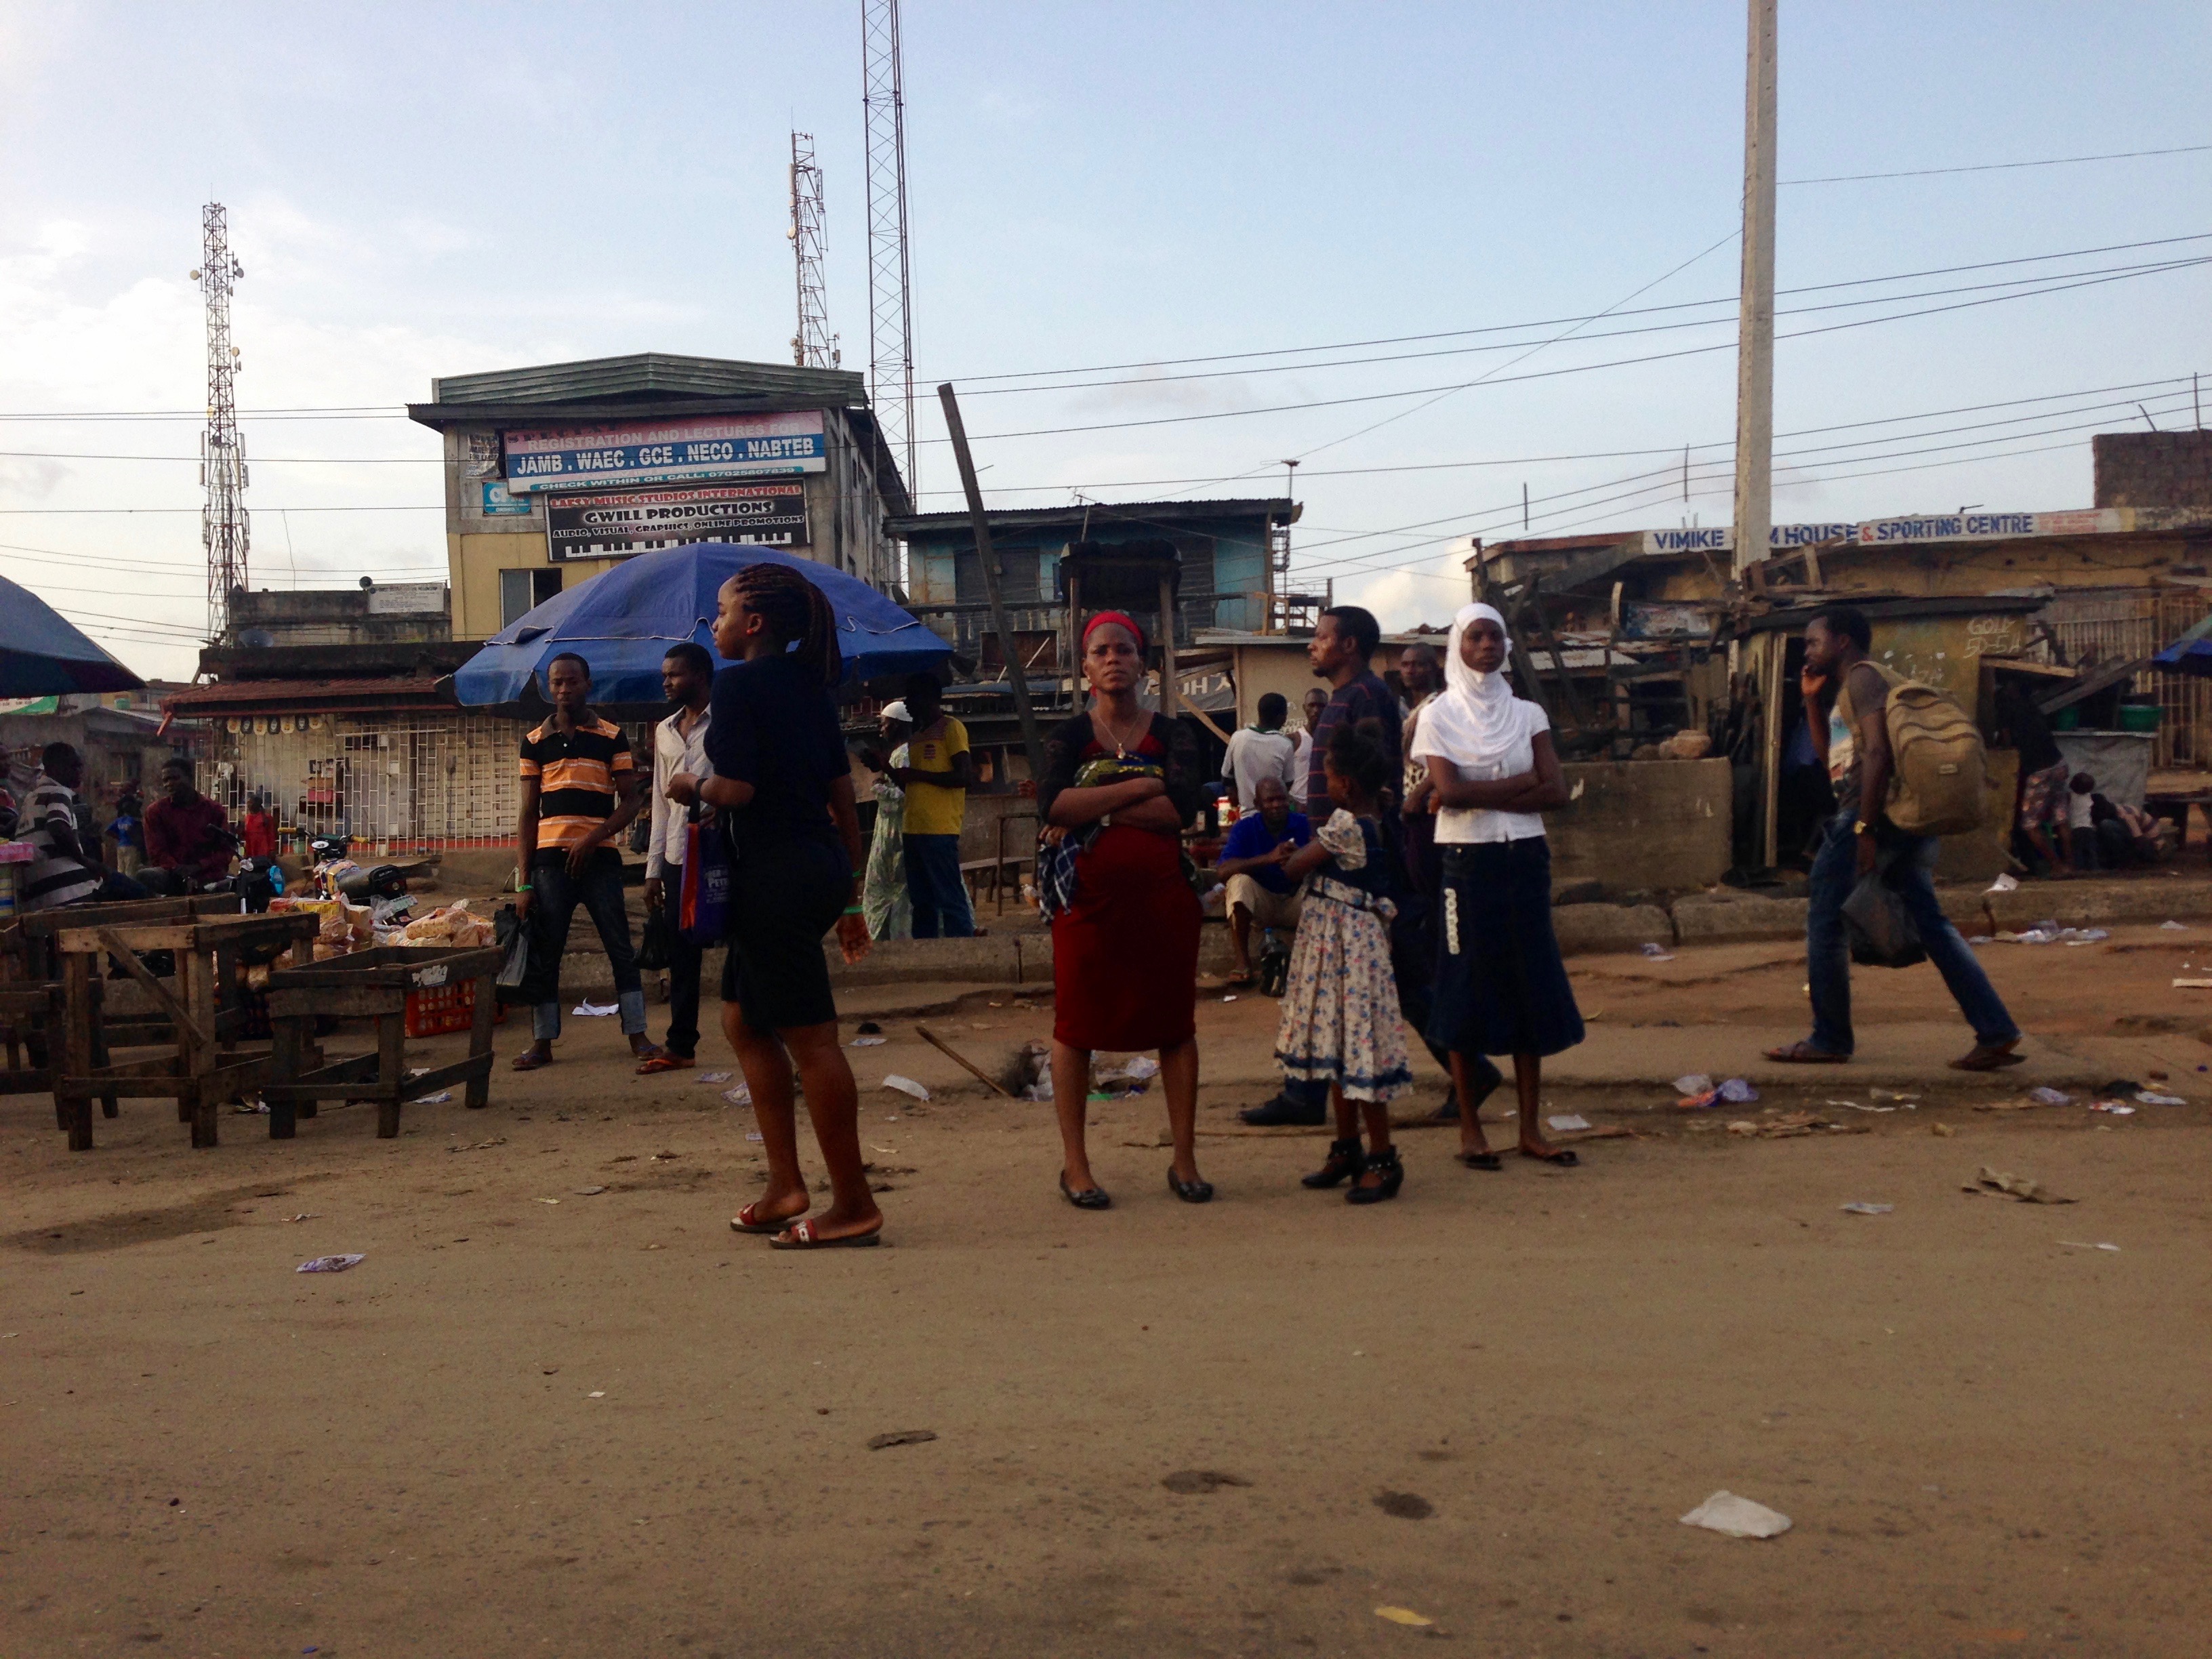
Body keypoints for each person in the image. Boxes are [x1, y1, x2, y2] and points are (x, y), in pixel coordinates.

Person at [688, 561, 880, 1250]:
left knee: (812, 1040)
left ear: (755, 623)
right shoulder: (811, 688)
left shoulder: (737, 686)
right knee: (743, 1019)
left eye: (723, 610)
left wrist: (689, 786)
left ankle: (853, 1204)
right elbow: (841, 795)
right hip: (814, 866)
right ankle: (785, 1186)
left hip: (773, 873)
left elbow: (734, 791)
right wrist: (851, 889)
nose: (715, 622)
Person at [1767, 606, 2024, 1072]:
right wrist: (1810, 700)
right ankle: (1996, 1031)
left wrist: (1864, 829)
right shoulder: (1854, 687)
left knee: (1824, 922)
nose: (1807, 650)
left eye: (1813, 642)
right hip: (1894, 820)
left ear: (1843, 642)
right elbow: (1838, 767)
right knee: (1932, 924)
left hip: (1872, 819)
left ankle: (1830, 1038)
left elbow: (1881, 756)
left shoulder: (1864, 678)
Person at [1038, 610, 1210, 1209]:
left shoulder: (1175, 733)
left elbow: (1181, 811)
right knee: (1076, 1025)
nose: (1114, 659)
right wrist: (1141, 786)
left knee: (1174, 1023)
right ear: (1085, 668)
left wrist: (1096, 805)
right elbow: (1055, 807)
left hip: (1164, 904)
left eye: (1125, 650)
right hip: (1086, 904)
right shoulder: (1067, 736)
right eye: (1101, 651)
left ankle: (1184, 1160)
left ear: (1143, 664)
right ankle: (1076, 1167)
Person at [1414, 602, 1585, 1168]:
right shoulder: (1438, 717)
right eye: (1477, 636)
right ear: (1458, 648)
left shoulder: (1528, 714)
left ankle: (1531, 1130)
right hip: (1465, 862)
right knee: (1464, 987)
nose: (1489, 645)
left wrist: (1469, 792)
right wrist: (1520, 785)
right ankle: (1471, 1131)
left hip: (1524, 857)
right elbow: (1448, 793)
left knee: (1529, 986)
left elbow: (1556, 792)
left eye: (1497, 636)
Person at [1277, 722, 1414, 1204]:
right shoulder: (1376, 820)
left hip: (1344, 948)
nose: (1325, 785)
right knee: (1344, 1048)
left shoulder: (1344, 825)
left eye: (1328, 777)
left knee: (1360, 1054)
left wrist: (1287, 856)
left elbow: (1295, 868)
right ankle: (1348, 1147)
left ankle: (1381, 1156)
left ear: (1346, 785)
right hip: (1353, 946)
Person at [511, 652, 656, 1072]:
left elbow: (632, 799)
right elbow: (528, 814)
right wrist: (524, 883)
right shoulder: (534, 742)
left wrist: (594, 838)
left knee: (619, 947)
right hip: (549, 865)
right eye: (557, 682)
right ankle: (542, 1043)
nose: (564, 689)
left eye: (572, 681)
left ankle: (638, 1033)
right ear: (548, 687)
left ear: (587, 683)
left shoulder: (612, 736)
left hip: (601, 861)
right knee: (547, 951)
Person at [1395, 640, 1502, 1126]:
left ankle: (1470, 1070)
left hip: (1432, 824)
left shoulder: (1444, 707)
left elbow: (1448, 762)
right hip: (1415, 823)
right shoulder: (1414, 709)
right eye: (1406, 664)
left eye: (1419, 662)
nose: (1411, 670)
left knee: (1435, 950)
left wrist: (1419, 794)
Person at [638, 643, 716, 1076]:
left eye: (675, 674)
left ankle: (768, 1035)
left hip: (723, 850)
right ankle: (681, 1044)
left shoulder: (730, 721)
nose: (666, 681)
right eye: (665, 674)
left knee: (742, 940)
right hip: (676, 855)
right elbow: (660, 802)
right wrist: (653, 872)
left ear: (701, 676)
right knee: (683, 952)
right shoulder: (665, 730)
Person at [886, 674, 976, 939]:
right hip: (913, 828)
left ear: (929, 698)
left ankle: (961, 949)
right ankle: (926, 954)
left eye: (911, 697)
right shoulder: (917, 738)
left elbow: (964, 777)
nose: (907, 703)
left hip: (939, 829)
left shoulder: (952, 728)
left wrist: (918, 776)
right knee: (922, 902)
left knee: (949, 897)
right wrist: (887, 770)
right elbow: (912, 787)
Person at [18, 743, 147, 911]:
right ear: (55, 768)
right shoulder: (58, 792)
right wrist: (85, 861)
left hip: (37, 893)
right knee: (140, 894)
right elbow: (58, 827)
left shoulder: (30, 799)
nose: (80, 770)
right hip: (68, 887)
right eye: (74, 766)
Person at [1215, 774, 1311, 986]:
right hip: (1263, 904)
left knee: (1319, 885)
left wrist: (1301, 858)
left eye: (1281, 799)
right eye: (1270, 800)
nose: (1277, 805)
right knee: (1238, 883)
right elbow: (1223, 871)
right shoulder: (1245, 828)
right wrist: (1269, 858)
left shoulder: (1304, 824)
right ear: (1258, 805)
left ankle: (1312, 963)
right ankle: (1243, 963)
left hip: (1296, 901)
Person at [1999, 684, 2070, 877]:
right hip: (2059, 763)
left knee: (2030, 824)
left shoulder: (2006, 710)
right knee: (2060, 818)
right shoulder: (2032, 707)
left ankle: (2056, 865)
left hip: (2039, 771)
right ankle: (2069, 864)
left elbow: (2008, 745)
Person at [861, 699, 914, 941]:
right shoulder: (900, 754)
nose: (881, 729)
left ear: (897, 725)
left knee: (889, 886)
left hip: (895, 833)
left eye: (885, 724)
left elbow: (905, 796)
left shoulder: (904, 755)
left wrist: (878, 788)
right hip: (891, 830)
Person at [142, 759, 234, 890]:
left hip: (209, 873)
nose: (169, 784)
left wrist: (199, 867)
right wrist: (178, 869)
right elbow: (156, 852)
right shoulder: (155, 812)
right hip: (172, 875)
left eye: (175, 778)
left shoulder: (214, 810)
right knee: (145, 876)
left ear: (190, 778)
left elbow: (226, 851)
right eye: (166, 780)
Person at [1221, 692, 1298, 810]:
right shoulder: (1285, 744)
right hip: (1274, 816)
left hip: (1246, 816)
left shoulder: (1238, 738)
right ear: (1281, 717)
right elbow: (1288, 784)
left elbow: (1226, 777)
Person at [1290, 687, 1327, 811]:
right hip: (1299, 806)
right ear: (1304, 708)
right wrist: (1294, 804)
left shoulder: (1332, 739)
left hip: (1324, 805)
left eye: (1321, 706)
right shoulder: (1295, 739)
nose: (1316, 710)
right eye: (1311, 705)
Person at [106, 783, 145, 876]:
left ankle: (121, 888)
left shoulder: (120, 820)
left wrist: (118, 837)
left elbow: (107, 831)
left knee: (121, 869)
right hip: (131, 846)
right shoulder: (135, 820)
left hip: (121, 846)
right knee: (130, 871)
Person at [2065, 772, 2097, 872]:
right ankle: (2094, 868)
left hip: (2076, 828)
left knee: (2077, 850)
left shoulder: (2070, 797)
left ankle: (2079, 869)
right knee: (2091, 850)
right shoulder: (2089, 797)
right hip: (2088, 827)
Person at [241, 793, 278, 860]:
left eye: (251, 803)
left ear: (257, 804)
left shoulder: (266, 818)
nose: (249, 805)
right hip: (251, 849)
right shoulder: (247, 818)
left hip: (263, 848)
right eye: (248, 803)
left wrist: (272, 849)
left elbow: (271, 834)